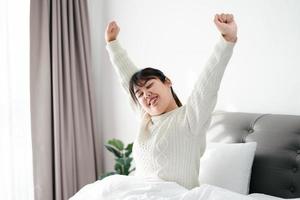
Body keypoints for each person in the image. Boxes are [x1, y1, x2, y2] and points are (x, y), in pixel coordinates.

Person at [105, 13, 237, 190]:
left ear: (167, 81)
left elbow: (208, 81)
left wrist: (227, 40)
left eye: (150, 85)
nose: (146, 95)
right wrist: (112, 44)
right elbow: (127, 78)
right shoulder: (145, 118)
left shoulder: (191, 118)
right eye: (140, 94)